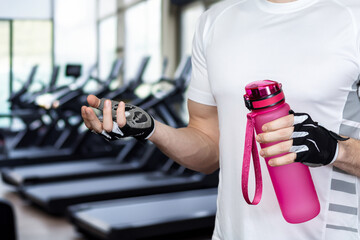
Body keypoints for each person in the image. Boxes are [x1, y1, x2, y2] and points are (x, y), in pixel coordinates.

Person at [82, 0, 360, 239]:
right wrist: (151, 129)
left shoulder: (352, 17)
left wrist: (338, 149)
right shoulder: (216, 20)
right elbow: (208, 150)